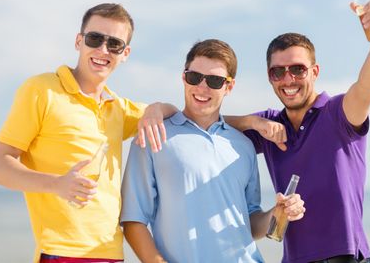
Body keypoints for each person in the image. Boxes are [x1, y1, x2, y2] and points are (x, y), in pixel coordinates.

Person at [0, 3, 176, 263]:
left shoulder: (119, 108)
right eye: (95, 39)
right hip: (62, 252)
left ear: (125, 53)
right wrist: (57, 184)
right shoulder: (41, 89)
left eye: (114, 44)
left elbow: (178, 115)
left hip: (111, 252)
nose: (102, 50)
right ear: (79, 41)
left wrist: (157, 108)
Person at [225, 0, 370, 263]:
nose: (288, 79)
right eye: (277, 72)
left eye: (297, 69)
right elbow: (210, 123)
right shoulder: (269, 124)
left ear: (314, 71)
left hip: (346, 257)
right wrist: (253, 122)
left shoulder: (337, 114)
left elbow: (366, 88)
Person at [120, 39, 306, 263]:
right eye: (194, 77)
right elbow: (133, 220)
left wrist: (276, 214)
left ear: (229, 87)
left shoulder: (243, 146)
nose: (202, 87)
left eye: (215, 81)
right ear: (183, 77)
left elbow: (250, 223)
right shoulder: (152, 135)